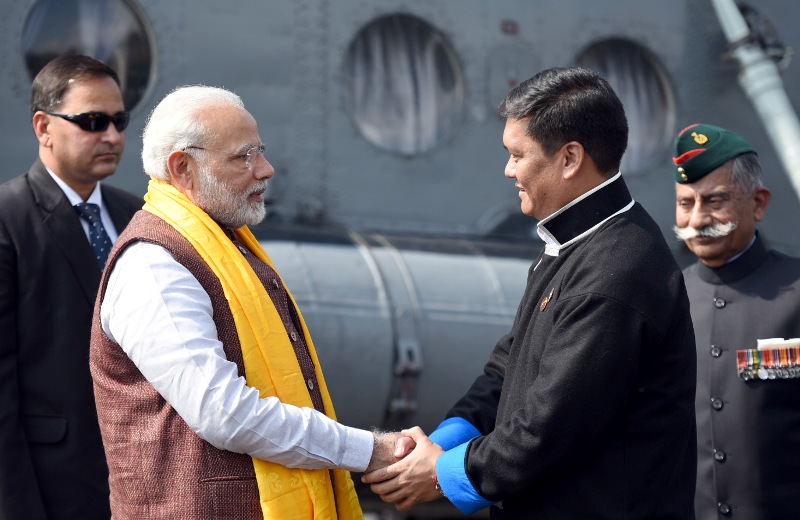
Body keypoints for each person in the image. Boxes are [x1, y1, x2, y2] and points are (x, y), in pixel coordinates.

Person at [363, 67, 698, 519]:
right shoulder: (574, 244)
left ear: (570, 158)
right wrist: (439, 443)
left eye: (517, 155)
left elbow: (553, 428)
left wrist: (442, 473)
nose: (508, 170)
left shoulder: (617, 270)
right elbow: (509, 367)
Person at [89, 85, 401, 519]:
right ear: (183, 168)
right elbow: (223, 412)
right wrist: (367, 449)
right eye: (243, 157)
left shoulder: (224, 244)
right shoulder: (152, 266)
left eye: (261, 152)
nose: (265, 170)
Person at [0, 55, 141, 520]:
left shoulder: (138, 217)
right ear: (44, 127)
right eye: (93, 121)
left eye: (119, 121)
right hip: (50, 490)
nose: (113, 136)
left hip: (143, 485)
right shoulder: (8, 219)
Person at [672, 123, 800, 519]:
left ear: (758, 203)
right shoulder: (666, 301)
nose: (697, 219)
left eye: (715, 200)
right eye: (685, 203)